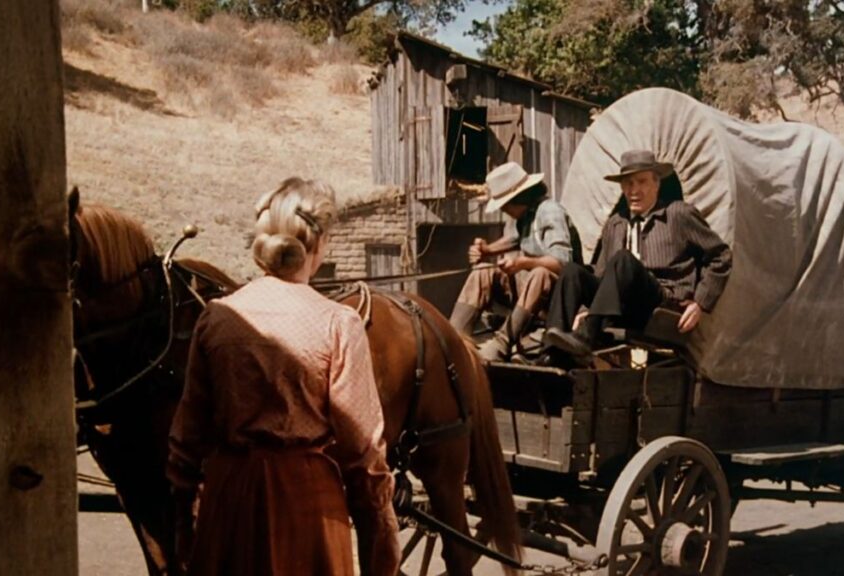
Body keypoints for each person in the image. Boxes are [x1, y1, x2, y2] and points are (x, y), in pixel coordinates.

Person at [166, 178, 399, 575]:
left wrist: (184, 525)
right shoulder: (338, 324)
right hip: (307, 509)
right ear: (319, 244)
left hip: (229, 503)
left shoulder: (218, 317)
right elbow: (362, 452)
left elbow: (187, 436)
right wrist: (381, 542)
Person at [543, 149, 732, 362]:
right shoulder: (615, 223)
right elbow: (601, 274)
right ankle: (551, 352)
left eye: (641, 182)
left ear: (656, 183)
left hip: (660, 303)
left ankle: (587, 336)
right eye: (628, 184)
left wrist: (700, 303)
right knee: (572, 272)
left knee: (624, 260)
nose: (634, 190)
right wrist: (588, 309)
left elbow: (721, 256)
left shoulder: (678, 214)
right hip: (619, 308)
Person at [449, 161, 581, 362]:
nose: (504, 211)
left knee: (540, 273)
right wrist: (486, 251)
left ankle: (502, 343)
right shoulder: (523, 217)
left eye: (504, 206)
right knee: (483, 271)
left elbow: (563, 262)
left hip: (558, 299)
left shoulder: (550, 211)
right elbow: (513, 239)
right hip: (529, 292)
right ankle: (454, 339)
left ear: (517, 198)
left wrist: (523, 263)